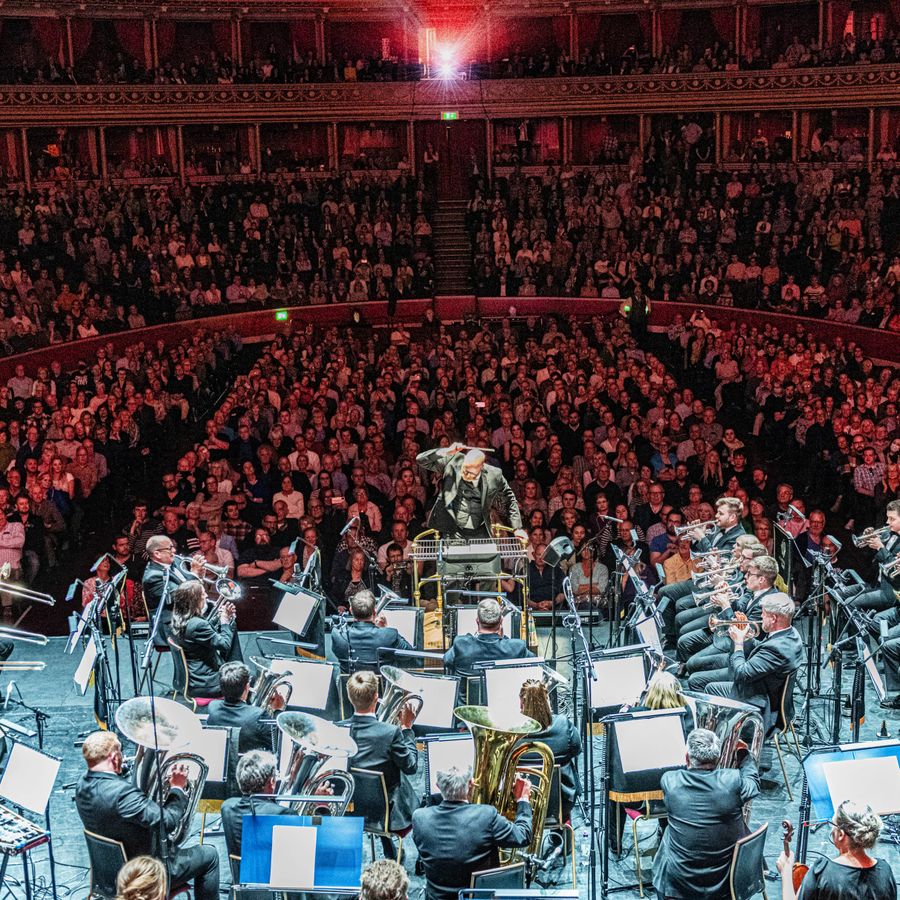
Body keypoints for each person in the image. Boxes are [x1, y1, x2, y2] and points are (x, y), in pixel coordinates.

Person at [75, 731, 219, 900]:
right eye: (120, 752)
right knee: (210, 855)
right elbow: (168, 822)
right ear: (114, 757)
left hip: (107, 873)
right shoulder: (122, 795)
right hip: (144, 872)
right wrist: (177, 789)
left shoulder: (82, 785)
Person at [653, 728, 759, 900]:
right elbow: (753, 782)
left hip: (677, 885)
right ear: (717, 758)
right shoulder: (733, 780)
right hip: (723, 885)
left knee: (666, 832)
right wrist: (743, 754)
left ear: (687, 757)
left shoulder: (669, 781)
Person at [411, 764, 533, 900]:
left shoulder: (419, 818)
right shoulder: (487, 815)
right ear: (471, 784)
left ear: (438, 786)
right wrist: (523, 800)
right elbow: (523, 836)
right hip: (480, 897)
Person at [344, 670, 418, 859]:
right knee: (396, 777)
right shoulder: (390, 732)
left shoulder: (339, 729)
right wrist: (407, 729)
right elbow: (411, 767)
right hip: (387, 813)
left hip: (351, 806)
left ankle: (386, 844)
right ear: (377, 697)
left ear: (349, 696)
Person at [707, 592, 805, 729]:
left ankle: (723, 734)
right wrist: (748, 638)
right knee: (711, 687)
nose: (761, 617)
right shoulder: (790, 634)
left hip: (760, 707)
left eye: (764, 614)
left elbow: (740, 674)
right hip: (766, 694)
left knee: (710, 690)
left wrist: (739, 642)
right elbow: (763, 651)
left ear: (774, 618)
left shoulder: (776, 649)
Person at [777, 800, 896, 900]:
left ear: (840, 834)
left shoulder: (822, 873)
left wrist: (786, 871)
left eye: (832, 825)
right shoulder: (885, 872)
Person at [415, 443, 526, 541]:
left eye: (471, 473)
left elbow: (510, 499)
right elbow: (421, 459)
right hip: (454, 529)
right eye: (464, 470)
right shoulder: (452, 462)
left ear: (482, 467)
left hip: (481, 529)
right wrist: (446, 451)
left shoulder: (494, 475)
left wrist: (517, 528)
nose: (466, 475)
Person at [518, 679, 582, 821]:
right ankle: (559, 834)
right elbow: (577, 749)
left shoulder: (512, 733)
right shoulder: (563, 724)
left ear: (521, 704)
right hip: (561, 802)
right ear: (547, 699)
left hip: (522, 802)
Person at [169, 580, 242, 698]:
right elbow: (224, 645)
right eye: (203, 594)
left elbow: (200, 633)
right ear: (195, 600)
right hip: (206, 683)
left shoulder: (178, 619)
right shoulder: (198, 625)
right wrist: (225, 622)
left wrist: (218, 617)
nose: (207, 596)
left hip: (192, 679)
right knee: (245, 678)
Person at [221, 750, 293, 858]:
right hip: (271, 873)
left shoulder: (227, 807)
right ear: (271, 782)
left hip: (239, 873)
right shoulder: (283, 814)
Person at [442, 598, 534, 681]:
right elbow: (536, 663)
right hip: (502, 699)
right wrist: (503, 638)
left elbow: (447, 661)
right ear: (501, 621)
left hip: (469, 700)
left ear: (477, 621)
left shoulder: (461, 644)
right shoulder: (517, 647)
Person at [206, 661, 283, 752]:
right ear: (247, 687)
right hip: (251, 763)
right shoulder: (258, 715)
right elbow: (277, 744)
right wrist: (277, 711)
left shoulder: (213, 707)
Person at [330, 589, 412, 674]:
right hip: (381, 686)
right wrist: (384, 627)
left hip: (349, 686)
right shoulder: (389, 635)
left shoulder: (338, 635)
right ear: (374, 612)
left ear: (351, 610)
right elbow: (408, 654)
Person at [141, 535, 197, 647]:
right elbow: (183, 597)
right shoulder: (153, 577)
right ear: (157, 554)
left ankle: (232, 664)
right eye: (170, 548)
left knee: (227, 621)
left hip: (186, 615)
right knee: (211, 631)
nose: (174, 550)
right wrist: (195, 574)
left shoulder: (175, 561)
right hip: (171, 626)